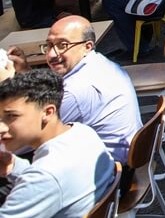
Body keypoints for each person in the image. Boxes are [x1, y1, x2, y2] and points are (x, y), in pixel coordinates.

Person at [0, 70, 117, 218]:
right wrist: (13, 166)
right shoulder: (82, 132)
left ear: (48, 112)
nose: (1, 127)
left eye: (11, 116)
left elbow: (46, 181)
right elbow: (55, 183)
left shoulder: (44, 177)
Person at [42, 15, 142, 164]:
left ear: (87, 46)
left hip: (112, 172)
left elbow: (32, 138)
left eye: (63, 45)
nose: (51, 54)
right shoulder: (99, 61)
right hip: (128, 154)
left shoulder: (75, 91)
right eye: (49, 45)